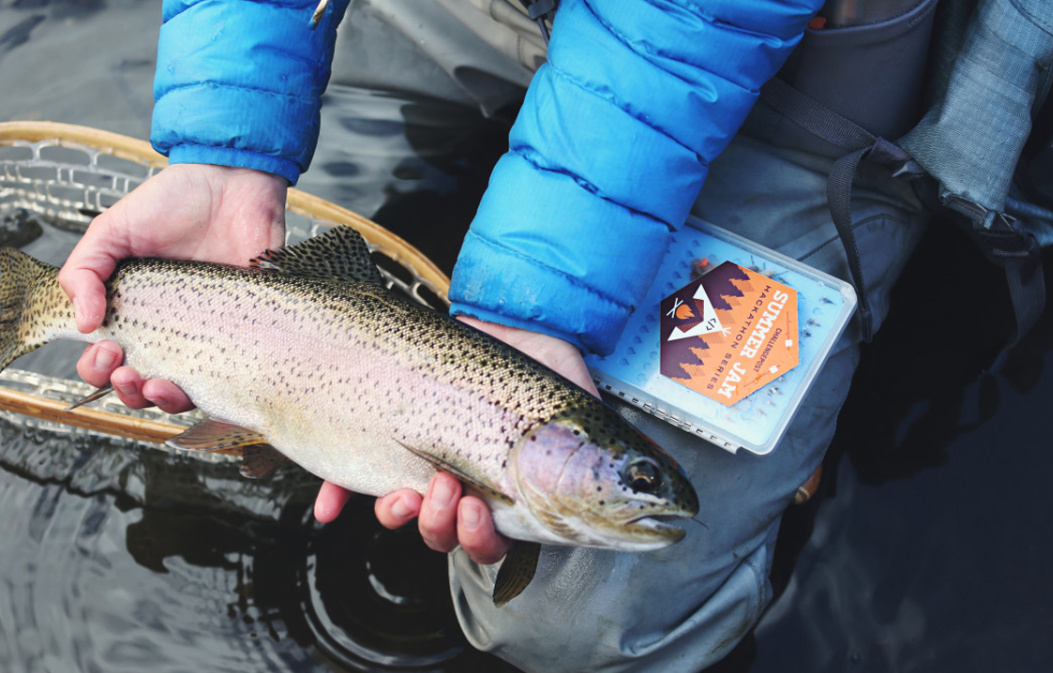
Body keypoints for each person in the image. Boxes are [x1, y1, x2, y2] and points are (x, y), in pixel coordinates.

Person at [57, 0, 935, 670]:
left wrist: (532, 309)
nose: (635, 484)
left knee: (575, 616)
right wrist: (226, 144)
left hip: (776, 62)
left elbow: (681, 23)